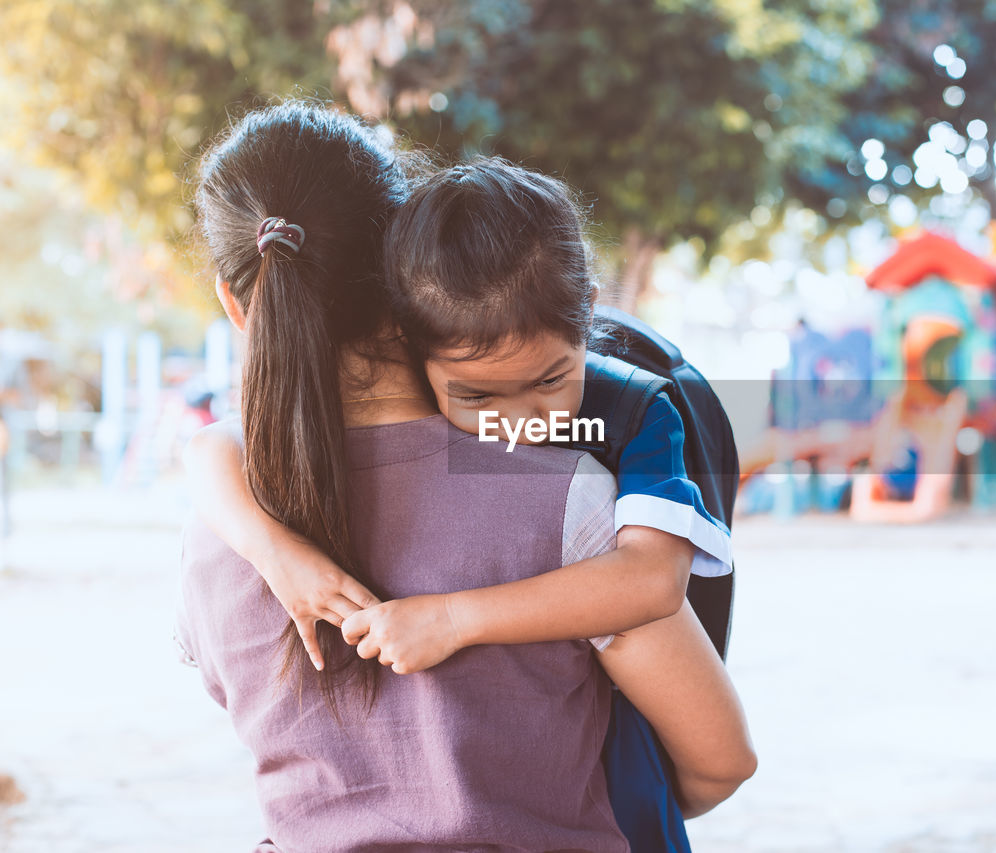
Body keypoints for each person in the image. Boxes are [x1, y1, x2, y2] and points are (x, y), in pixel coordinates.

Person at [177, 102, 754, 849]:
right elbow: (721, 759)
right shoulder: (573, 500)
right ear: (403, 274)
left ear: (234, 301)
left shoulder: (218, 527)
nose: (528, 417)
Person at [185, 159, 735, 675]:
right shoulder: (421, 388)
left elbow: (655, 578)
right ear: (407, 345)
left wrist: (453, 618)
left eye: (548, 381)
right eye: (478, 398)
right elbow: (212, 449)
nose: (522, 420)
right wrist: (275, 553)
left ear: (587, 312)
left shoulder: (638, 415)